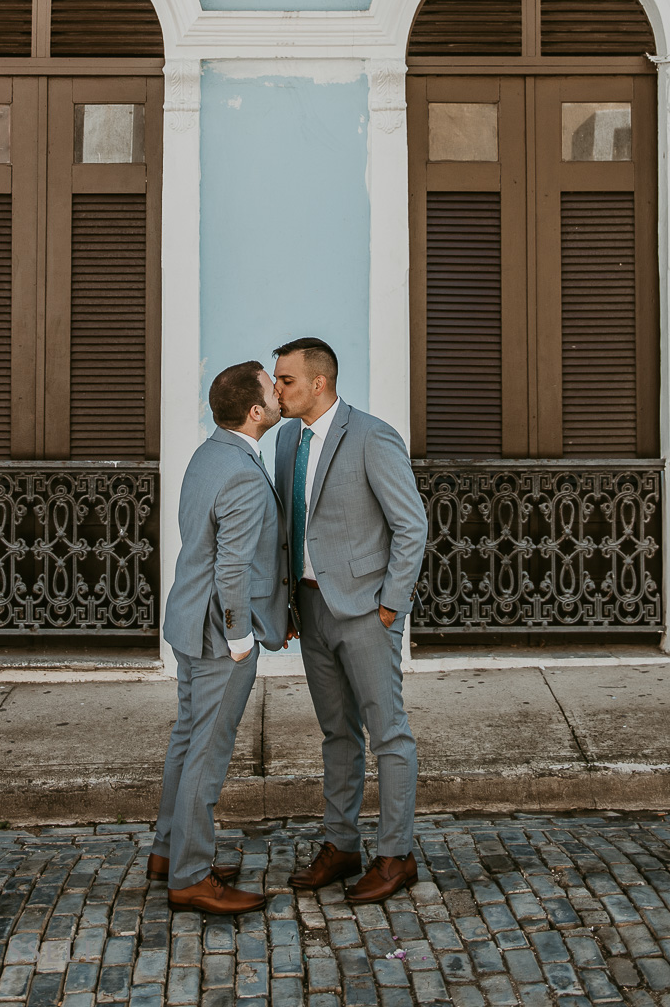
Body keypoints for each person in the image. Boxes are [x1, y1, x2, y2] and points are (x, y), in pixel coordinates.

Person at [273, 335, 428, 904]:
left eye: (286, 380)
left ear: (320, 382)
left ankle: (396, 855)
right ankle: (342, 845)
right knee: (337, 733)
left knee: (388, 733)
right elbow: (290, 525)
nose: (277, 390)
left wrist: (392, 603)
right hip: (311, 608)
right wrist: (286, 603)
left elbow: (411, 526)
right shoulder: (287, 438)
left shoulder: (371, 436)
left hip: (366, 610)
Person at [149, 359, 289, 914]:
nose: (280, 395)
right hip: (217, 635)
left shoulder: (209, 454)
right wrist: (240, 639)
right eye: (270, 391)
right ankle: (189, 876)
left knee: (186, 743)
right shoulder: (241, 473)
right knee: (207, 756)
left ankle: (169, 852)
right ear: (256, 413)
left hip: (187, 619)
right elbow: (232, 568)